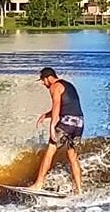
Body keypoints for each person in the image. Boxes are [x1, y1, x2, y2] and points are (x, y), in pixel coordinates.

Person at [30, 66, 84, 194]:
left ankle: (38, 184)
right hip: (79, 123)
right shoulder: (68, 85)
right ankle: (80, 190)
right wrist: (46, 115)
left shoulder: (55, 86)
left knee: (49, 152)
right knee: (72, 157)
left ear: (49, 78)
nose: (43, 83)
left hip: (66, 122)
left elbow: (56, 107)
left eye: (43, 80)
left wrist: (52, 127)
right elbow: (69, 105)